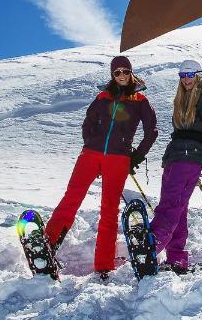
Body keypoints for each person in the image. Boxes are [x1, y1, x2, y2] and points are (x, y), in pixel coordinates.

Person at [45, 55, 157, 278]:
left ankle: (104, 264)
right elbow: (88, 121)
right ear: (112, 76)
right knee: (72, 198)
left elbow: (151, 131)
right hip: (91, 155)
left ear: (131, 73)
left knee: (109, 210)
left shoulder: (140, 100)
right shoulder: (103, 97)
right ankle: (47, 245)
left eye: (126, 71)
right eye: (117, 73)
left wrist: (135, 157)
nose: (122, 76)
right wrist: (90, 142)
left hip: (118, 160)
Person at [150, 58, 202, 273]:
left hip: (189, 157)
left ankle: (150, 245)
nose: (186, 79)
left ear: (199, 75)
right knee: (179, 208)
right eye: (182, 75)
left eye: (190, 74)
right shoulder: (183, 99)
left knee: (171, 204)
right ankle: (176, 257)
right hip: (176, 157)